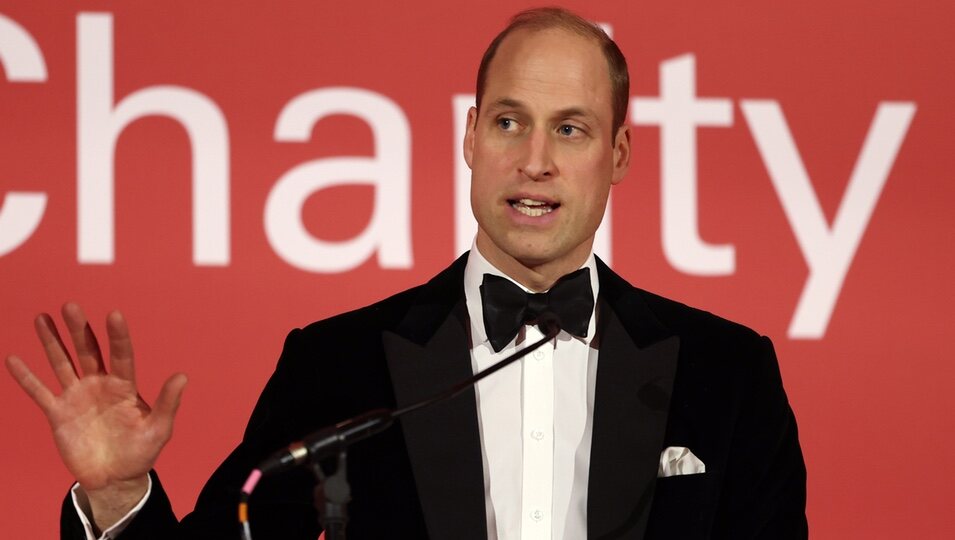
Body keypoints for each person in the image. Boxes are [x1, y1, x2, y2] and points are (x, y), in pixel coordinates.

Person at [5, 7, 807, 539]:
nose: (534, 162)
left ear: (617, 155)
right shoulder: (337, 365)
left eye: (570, 129)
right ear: (468, 137)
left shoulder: (726, 374)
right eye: (508, 122)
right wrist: (118, 496)